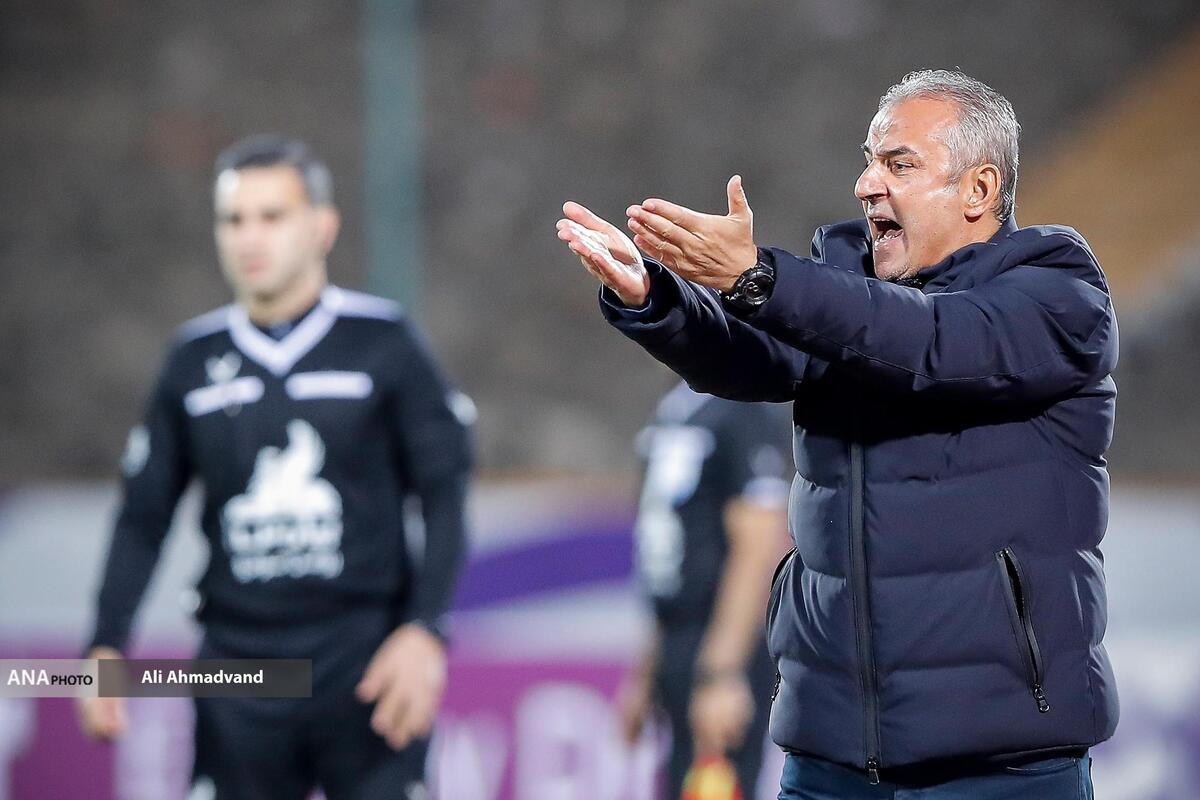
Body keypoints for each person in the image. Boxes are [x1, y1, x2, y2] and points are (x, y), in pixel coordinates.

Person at [556, 69, 1117, 799]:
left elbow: (929, 341)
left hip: (999, 764)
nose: (866, 184)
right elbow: (751, 355)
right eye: (869, 160)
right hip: (831, 756)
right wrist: (656, 297)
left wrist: (760, 278)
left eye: (899, 164)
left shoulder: (1057, 292)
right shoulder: (841, 289)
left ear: (979, 190)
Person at [76, 135, 474, 800]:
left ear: (322, 226)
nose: (249, 237)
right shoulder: (191, 361)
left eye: (271, 216)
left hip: (364, 660)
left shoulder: (383, 343)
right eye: (233, 219)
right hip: (238, 667)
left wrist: (426, 632)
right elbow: (143, 518)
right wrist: (104, 646)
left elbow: (445, 496)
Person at [618, 380, 792, 799]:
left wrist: (722, 673)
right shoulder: (679, 406)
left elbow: (757, 546)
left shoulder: (742, 405)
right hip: (679, 642)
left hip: (721, 641)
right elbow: (670, 551)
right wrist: (648, 668)